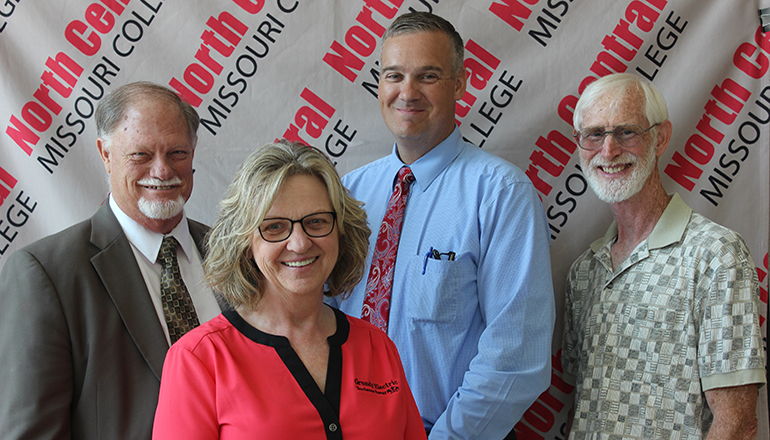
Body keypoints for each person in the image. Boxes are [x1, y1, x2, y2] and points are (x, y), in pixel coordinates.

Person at [327, 11, 556, 438]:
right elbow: (319, 317)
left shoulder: (501, 194)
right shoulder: (347, 194)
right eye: (393, 75)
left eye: (427, 76)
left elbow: (516, 355)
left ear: (460, 83)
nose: (406, 92)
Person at [152, 141, 427, 440]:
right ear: (245, 243)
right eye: (274, 227)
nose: (299, 243)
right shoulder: (199, 359)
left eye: (316, 222)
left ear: (341, 230)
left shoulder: (378, 348)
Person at [0, 81, 224, 440]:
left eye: (177, 153)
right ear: (105, 154)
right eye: (141, 155)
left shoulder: (236, 254)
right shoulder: (46, 274)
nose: (163, 170)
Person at [562, 73, 766, 439]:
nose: (608, 151)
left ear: (661, 137)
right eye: (594, 134)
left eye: (626, 132)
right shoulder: (584, 272)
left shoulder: (715, 255)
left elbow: (737, 424)